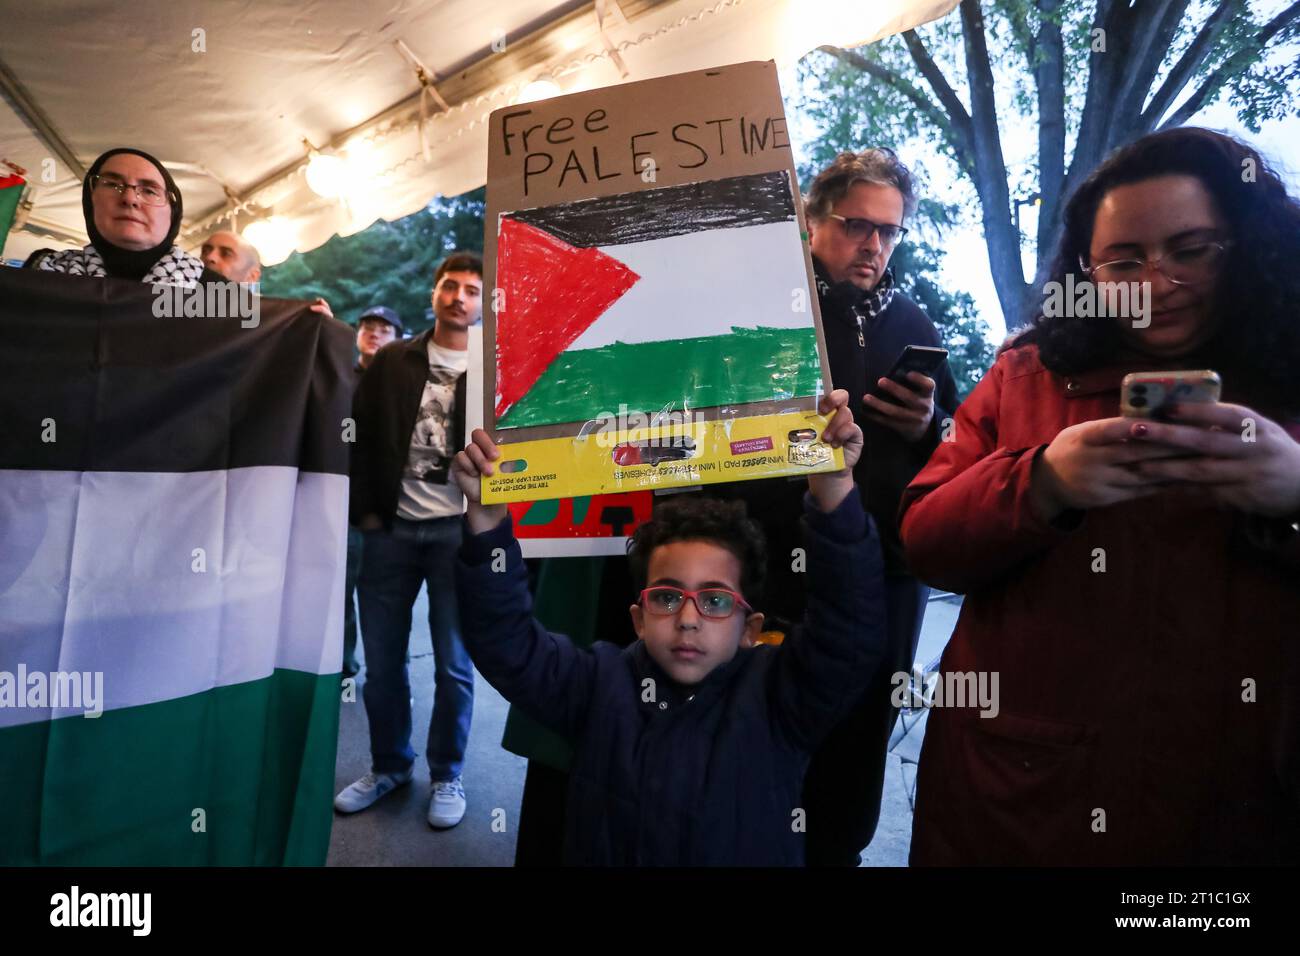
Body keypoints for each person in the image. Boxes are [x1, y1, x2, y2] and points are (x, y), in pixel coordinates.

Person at [901, 127, 1300, 865]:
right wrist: (1041, 481)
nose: (1155, 284)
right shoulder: (1025, 374)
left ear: (1248, 244)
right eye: (1123, 260)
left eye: (1191, 250)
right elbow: (925, 536)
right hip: (1022, 796)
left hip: (1241, 800)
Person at [450, 390, 888, 865]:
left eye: (716, 600)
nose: (687, 618)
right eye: (666, 596)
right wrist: (487, 521)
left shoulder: (782, 699)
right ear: (637, 618)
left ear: (750, 626)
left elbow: (851, 630)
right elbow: (505, 642)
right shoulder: (595, 686)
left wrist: (834, 487)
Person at [796, 148, 958, 866]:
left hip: (889, 574)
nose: (873, 244)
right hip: (780, 566)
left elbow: (952, 452)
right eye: (856, 224)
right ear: (811, 219)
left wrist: (927, 427)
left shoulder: (917, 323)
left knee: (863, 727)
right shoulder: (771, 315)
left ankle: (840, 853)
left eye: (889, 231)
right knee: (776, 716)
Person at [335, 253, 482, 829]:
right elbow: (359, 438)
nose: (460, 297)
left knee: (454, 664)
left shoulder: (493, 365)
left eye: (472, 290)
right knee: (382, 664)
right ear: (434, 292)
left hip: (456, 533)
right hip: (392, 532)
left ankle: (448, 774)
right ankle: (390, 765)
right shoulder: (394, 359)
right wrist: (367, 517)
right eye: (451, 285)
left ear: (481, 301)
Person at [37, 148, 220, 285]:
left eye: (149, 190)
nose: (129, 198)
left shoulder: (223, 299)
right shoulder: (40, 274)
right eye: (112, 184)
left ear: (173, 212)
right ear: (90, 200)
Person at [340, 305, 404, 678]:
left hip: (389, 513)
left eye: (384, 328)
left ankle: (391, 674)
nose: (375, 333)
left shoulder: (405, 383)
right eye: (368, 327)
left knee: (386, 602)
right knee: (341, 594)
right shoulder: (339, 376)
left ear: (397, 338)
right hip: (343, 507)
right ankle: (344, 668)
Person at [199, 228, 334, 318]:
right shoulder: (182, 309)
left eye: (226, 254)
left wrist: (325, 332)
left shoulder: (273, 319)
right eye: (205, 251)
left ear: (252, 276)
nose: (210, 257)